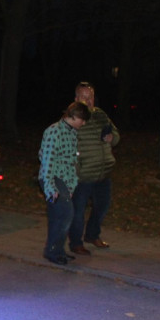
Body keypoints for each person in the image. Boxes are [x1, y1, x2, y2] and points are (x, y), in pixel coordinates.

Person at [68, 82, 120, 255]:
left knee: (102, 206)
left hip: (103, 173)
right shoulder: (72, 117)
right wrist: (76, 168)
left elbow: (117, 136)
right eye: (84, 97)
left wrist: (111, 138)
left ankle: (92, 235)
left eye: (90, 97)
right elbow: (65, 144)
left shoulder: (101, 115)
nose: (88, 101)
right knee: (78, 210)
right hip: (83, 175)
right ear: (76, 99)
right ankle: (76, 242)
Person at [38, 101, 91, 265]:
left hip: (66, 180)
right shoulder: (54, 131)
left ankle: (56, 250)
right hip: (53, 178)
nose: (83, 123)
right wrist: (50, 187)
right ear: (73, 116)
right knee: (66, 214)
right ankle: (53, 251)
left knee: (58, 216)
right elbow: (47, 160)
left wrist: (72, 184)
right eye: (82, 119)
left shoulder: (72, 132)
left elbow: (72, 160)